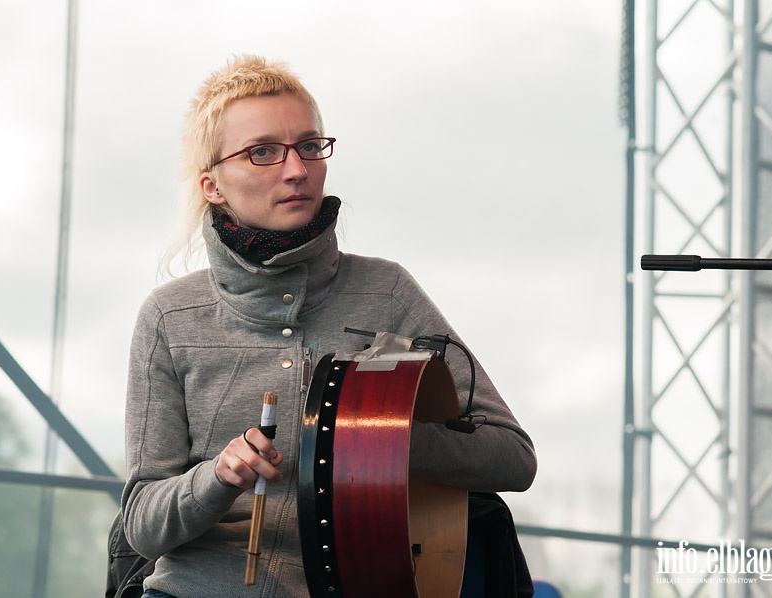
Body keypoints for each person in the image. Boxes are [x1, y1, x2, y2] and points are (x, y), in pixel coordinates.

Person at [120, 55, 537, 598]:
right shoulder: (169, 317)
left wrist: (381, 441)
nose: (296, 169)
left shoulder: (387, 291)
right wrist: (216, 478)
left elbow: (512, 457)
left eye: (310, 146)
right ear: (213, 185)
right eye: (263, 152)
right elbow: (141, 525)